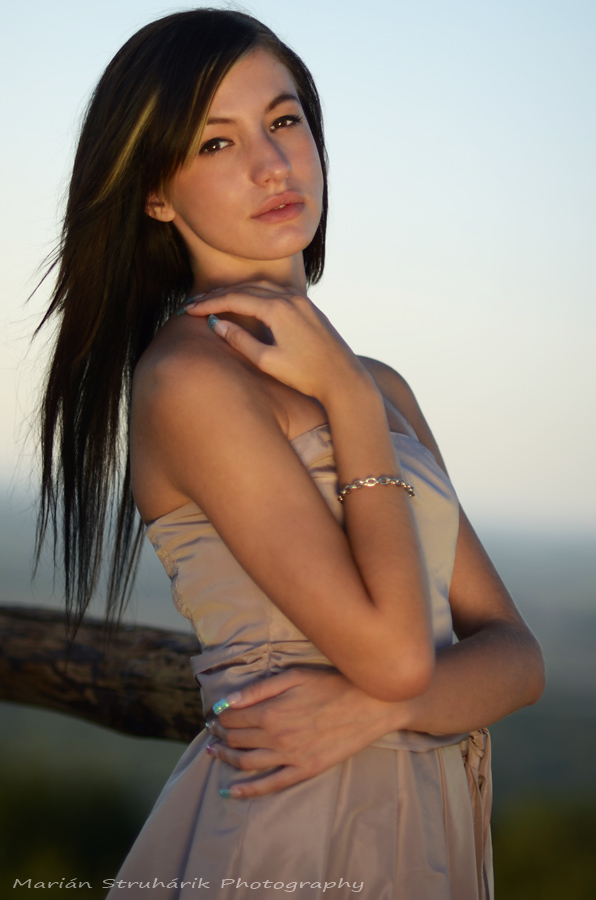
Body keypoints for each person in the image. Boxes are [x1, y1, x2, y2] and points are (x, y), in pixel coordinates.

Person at [35, 9, 545, 899]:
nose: (271, 164)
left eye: (283, 120)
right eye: (215, 143)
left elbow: (519, 657)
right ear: (155, 193)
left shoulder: (384, 386)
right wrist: (343, 393)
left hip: (429, 838)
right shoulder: (190, 383)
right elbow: (397, 658)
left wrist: (367, 712)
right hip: (295, 834)